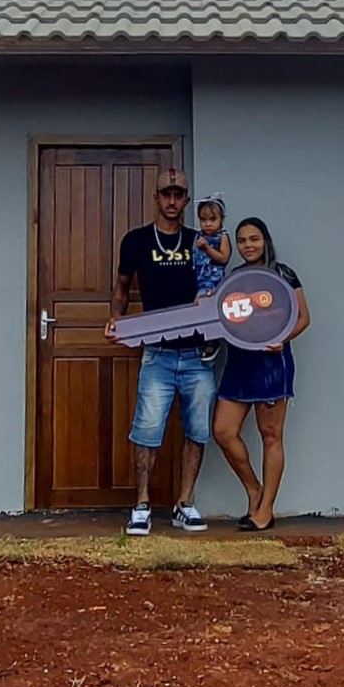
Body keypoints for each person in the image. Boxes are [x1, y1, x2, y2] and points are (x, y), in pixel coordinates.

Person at [105, 168, 215, 536]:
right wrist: (115, 319)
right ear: (156, 198)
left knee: (197, 429)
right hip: (157, 353)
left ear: (186, 200)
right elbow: (122, 288)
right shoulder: (135, 241)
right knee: (147, 429)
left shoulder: (200, 241)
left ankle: (185, 504)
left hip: (198, 353)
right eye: (166, 194)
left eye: (179, 194)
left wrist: (210, 297)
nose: (172, 201)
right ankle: (141, 505)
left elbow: (216, 283)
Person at [211, 217, 311, 532]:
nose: (248, 245)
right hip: (240, 363)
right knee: (223, 431)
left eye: (254, 239)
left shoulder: (284, 275)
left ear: (265, 240)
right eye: (241, 240)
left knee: (271, 437)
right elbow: (223, 319)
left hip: (273, 365)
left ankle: (266, 509)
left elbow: (304, 318)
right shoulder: (234, 279)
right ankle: (254, 490)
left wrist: (282, 339)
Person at [192, 193, 231, 362]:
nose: (207, 224)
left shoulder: (222, 236)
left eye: (212, 219)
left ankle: (212, 340)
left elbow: (223, 258)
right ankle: (205, 339)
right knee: (199, 308)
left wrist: (207, 248)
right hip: (199, 277)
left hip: (214, 279)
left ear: (221, 219)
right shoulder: (198, 236)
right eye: (203, 219)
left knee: (207, 306)